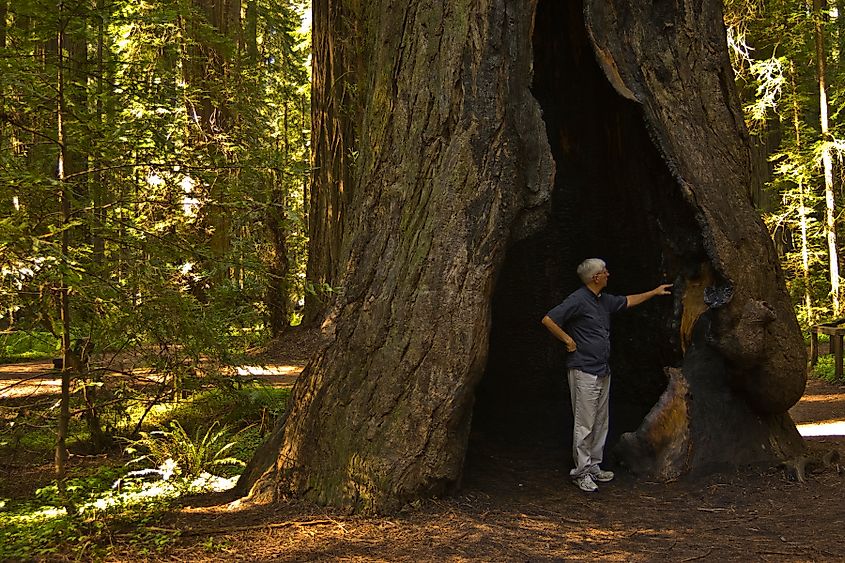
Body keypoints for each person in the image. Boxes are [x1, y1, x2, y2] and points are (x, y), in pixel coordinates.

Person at [541, 258, 672, 493]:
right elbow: (549, 319)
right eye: (604, 272)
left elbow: (628, 301)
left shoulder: (602, 301)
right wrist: (568, 340)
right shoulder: (578, 299)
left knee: (601, 421)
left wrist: (654, 292)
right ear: (595, 278)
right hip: (584, 370)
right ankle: (580, 472)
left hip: (602, 369)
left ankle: (593, 466)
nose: (608, 274)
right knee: (585, 424)